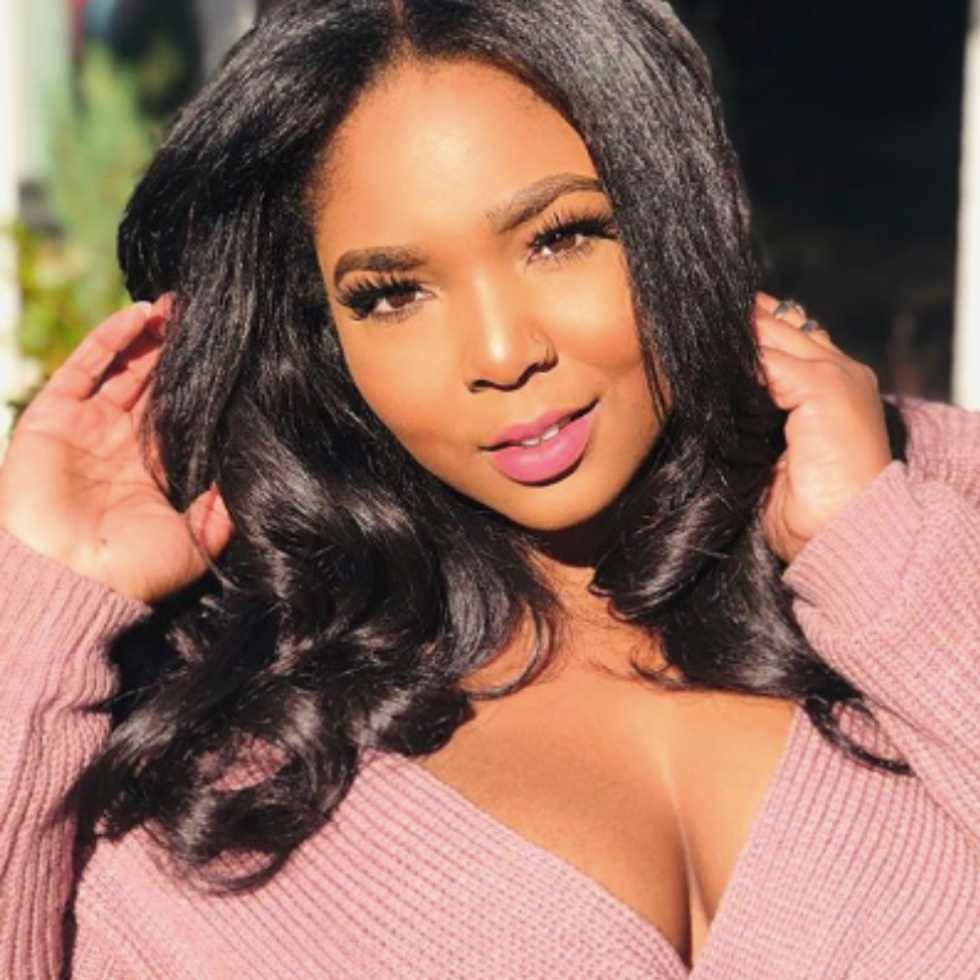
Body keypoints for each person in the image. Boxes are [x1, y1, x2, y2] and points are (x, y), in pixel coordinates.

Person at [1, 1, 978, 976]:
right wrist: (42, 610)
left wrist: (881, 558)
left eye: (560, 237)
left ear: (674, 209)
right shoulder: (201, 724)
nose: (503, 354)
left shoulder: (932, 511)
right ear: (323, 333)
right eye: (394, 293)